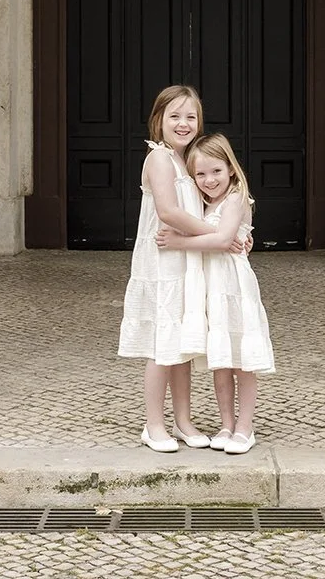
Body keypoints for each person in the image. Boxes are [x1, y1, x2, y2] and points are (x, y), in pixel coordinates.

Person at [117, 85, 225, 453]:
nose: (183, 123)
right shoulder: (159, 158)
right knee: (162, 345)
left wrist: (237, 231)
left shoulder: (190, 159)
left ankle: (183, 420)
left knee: (183, 344)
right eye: (174, 116)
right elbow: (168, 211)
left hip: (186, 260)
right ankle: (154, 425)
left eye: (191, 117)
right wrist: (216, 234)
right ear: (158, 120)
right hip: (162, 262)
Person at [157, 133, 275, 454]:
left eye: (216, 171)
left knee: (242, 362)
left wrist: (179, 242)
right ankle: (226, 424)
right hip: (212, 290)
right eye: (201, 174)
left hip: (234, 289)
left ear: (231, 169)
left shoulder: (236, 198)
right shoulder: (202, 202)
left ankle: (245, 427)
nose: (209, 180)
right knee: (221, 362)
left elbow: (223, 240)